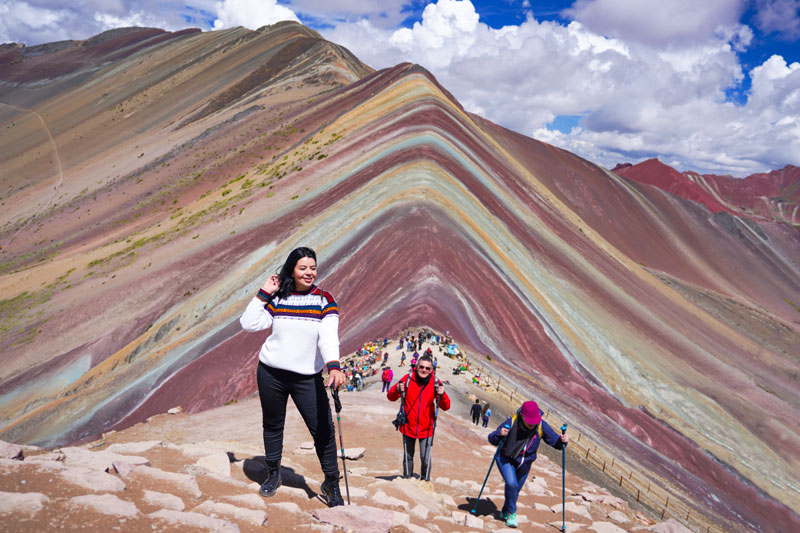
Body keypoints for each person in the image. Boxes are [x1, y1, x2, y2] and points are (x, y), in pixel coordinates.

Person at [239, 246, 346, 507]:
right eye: (303, 268)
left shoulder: (324, 300)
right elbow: (249, 323)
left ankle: (331, 482)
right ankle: (273, 474)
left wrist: (334, 366)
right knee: (273, 424)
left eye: (312, 267)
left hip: (306, 378)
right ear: (292, 270)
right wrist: (265, 293)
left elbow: (329, 337)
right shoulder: (279, 299)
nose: (309, 273)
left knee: (323, 430)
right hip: (270, 372)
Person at [488, 401, 568, 528]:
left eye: (534, 421)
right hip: (506, 459)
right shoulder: (511, 423)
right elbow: (491, 439)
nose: (532, 424)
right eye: (529, 421)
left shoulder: (541, 426)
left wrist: (562, 441)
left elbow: (556, 443)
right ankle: (512, 514)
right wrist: (499, 434)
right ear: (522, 416)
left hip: (525, 464)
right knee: (512, 484)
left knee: (515, 491)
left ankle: (504, 512)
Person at [387, 354, 450, 481]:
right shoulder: (408, 379)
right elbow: (390, 396)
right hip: (408, 425)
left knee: (425, 457)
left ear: (431, 369)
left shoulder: (435, 383)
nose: (424, 370)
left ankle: (425, 481)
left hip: (426, 428)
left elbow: (446, 406)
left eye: (427, 368)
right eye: (421, 367)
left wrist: (442, 395)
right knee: (408, 456)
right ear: (416, 367)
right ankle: (407, 480)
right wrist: (398, 390)